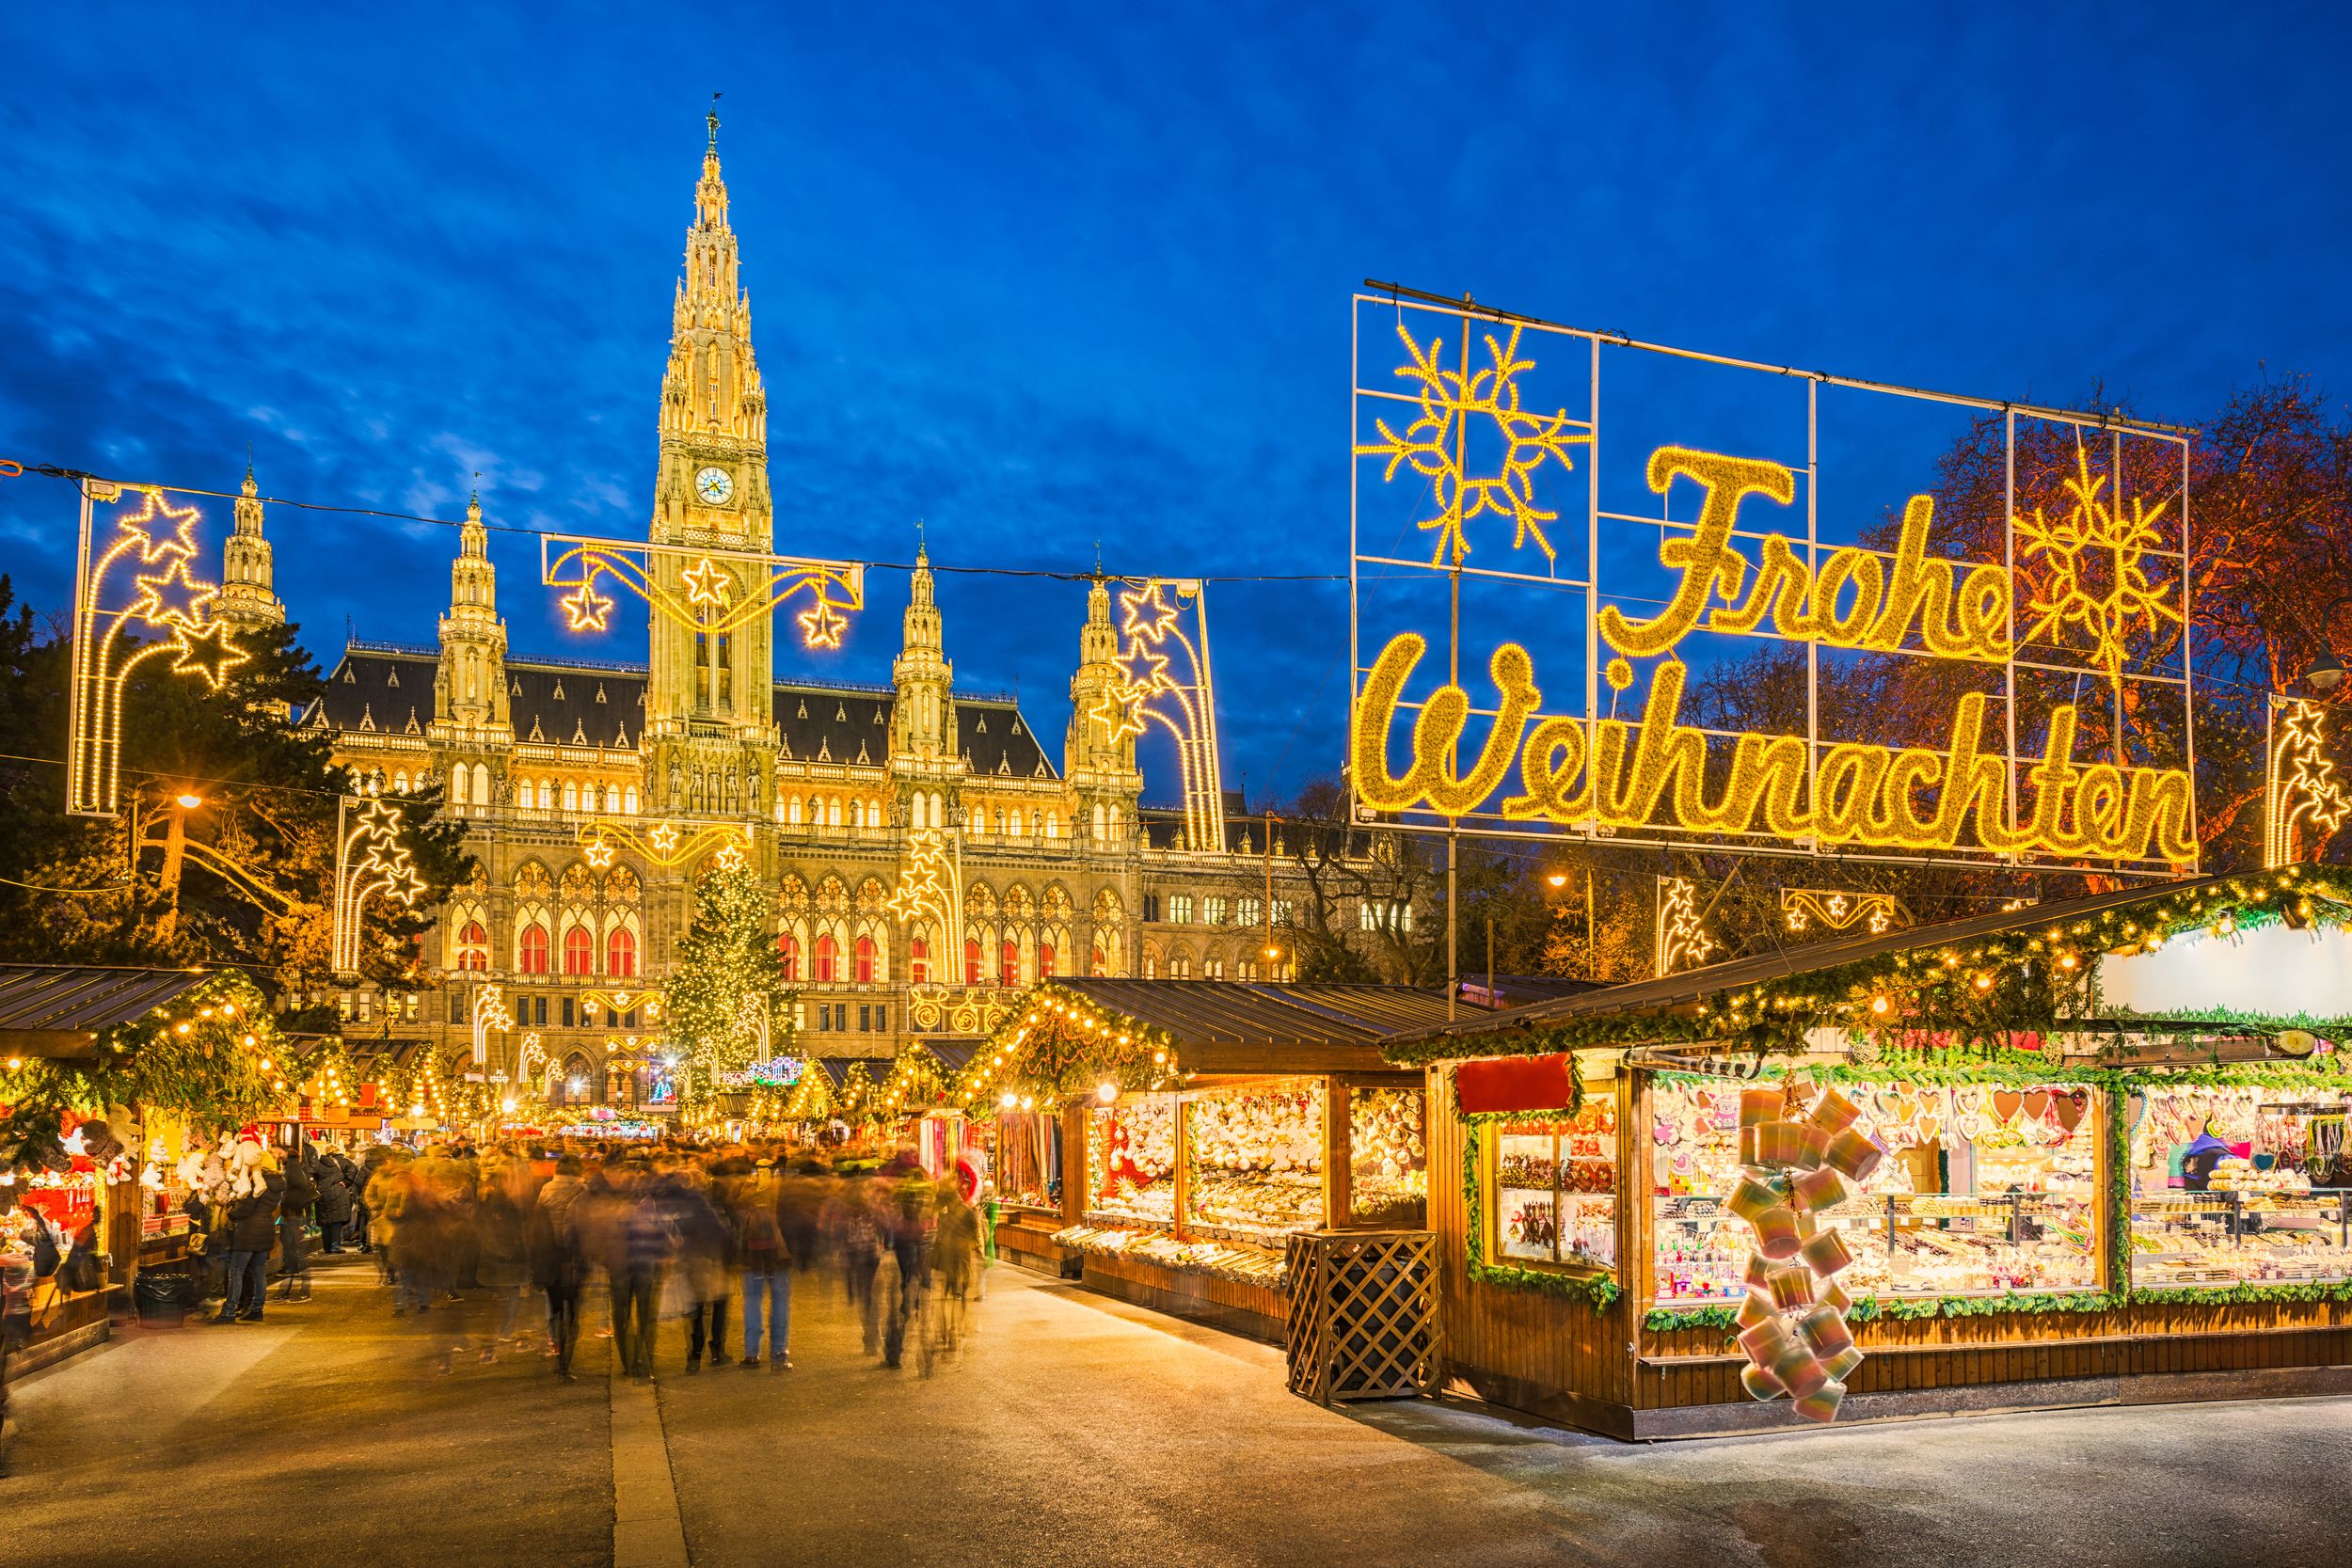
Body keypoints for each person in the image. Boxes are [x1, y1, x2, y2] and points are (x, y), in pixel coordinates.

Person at [527, 1156, 588, 1380]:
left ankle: (555, 1341)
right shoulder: (583, 1190)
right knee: (573, 1308)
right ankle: (565, 1362)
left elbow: (537, 1225)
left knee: (554, 1306)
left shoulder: (546, 1189)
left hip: (549, 1255)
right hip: (573, 1256)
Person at [216, 1153, 286, 1323]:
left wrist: (231, 1211)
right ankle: (256, 1309)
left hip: (248, 1231)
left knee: (236, 1272)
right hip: (265, 1228)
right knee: (259, 1272)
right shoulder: (276, 1183)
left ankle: (228, 1311)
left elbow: (243, 1209)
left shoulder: (257, 1183)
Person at [733, 1166, 790, 1370]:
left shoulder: (745, 1196)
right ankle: (779, 1353)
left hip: (752, 1256)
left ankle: (751, 1353)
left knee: (752, 1300)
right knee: (780, 1300)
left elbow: (735, 1223)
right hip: (777, 1256)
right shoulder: (780, 1196)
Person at [277, 1143, 318, 1302]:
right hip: (292, 1215)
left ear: (285, 1153)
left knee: (294, 1255)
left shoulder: (293, 1168)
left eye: (277, 1152)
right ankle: (290, 1290)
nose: (275, 1155)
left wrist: (292, 1208)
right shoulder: (293, 1167)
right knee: (293, 1254)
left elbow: (301, 1188)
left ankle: (299, 1290)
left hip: (293, 1216)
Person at [313, 1147, 355, 1255]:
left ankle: (327, 1247)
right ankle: (335, 1247)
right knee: (336, 1221)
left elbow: (314, 1174)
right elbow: (353, 1169)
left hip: (322, 1193)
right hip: (338, 1192)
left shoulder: (319, 1162)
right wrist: (346, 1182)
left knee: (325, 1221)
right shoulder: (342, 1161)